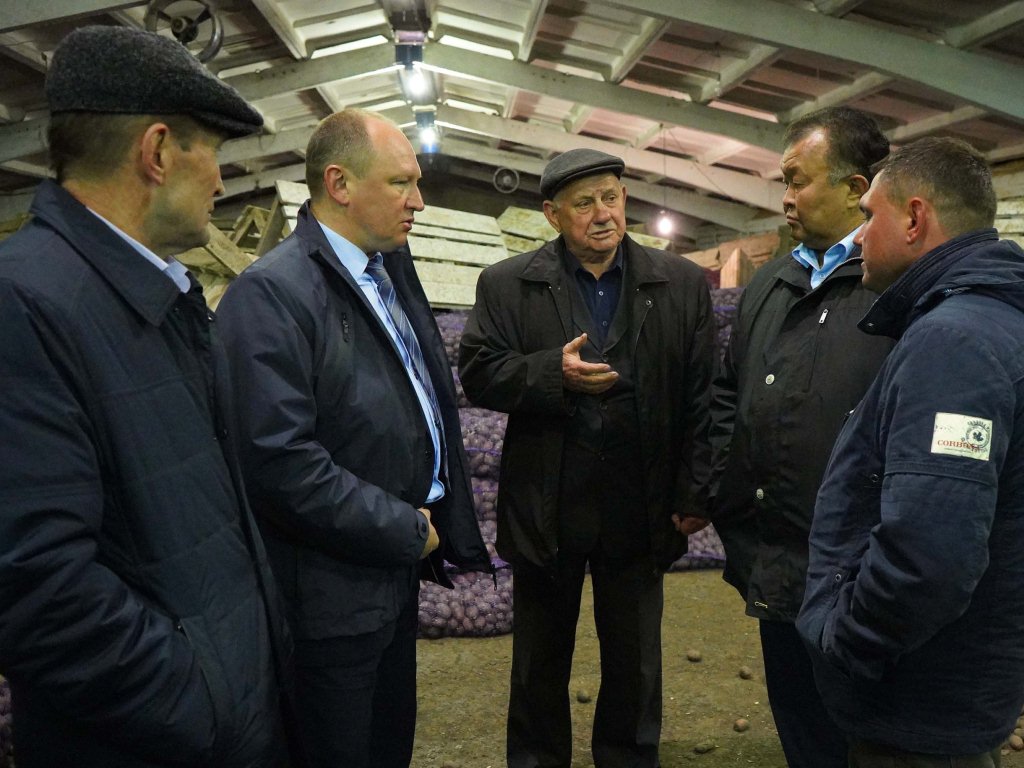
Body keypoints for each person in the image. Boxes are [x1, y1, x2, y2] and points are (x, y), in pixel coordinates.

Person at [0, 25, 294, 768]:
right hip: (154, 741)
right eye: (213, 153)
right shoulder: (25, 304)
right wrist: (201, 702)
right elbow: (35, 587)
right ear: (158, 152)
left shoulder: (154, 298)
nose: (221, 182)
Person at [215, 108, 491, 768]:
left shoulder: (383, 273)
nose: (418, 202)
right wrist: (402, 526)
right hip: (328, 595)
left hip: (391, 571)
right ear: (338, 184)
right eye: (401, 183)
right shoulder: (271, 295)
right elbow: (278, 461)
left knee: (387, 743)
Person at [458, 148, 715, 768]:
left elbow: (704, 395)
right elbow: (479, 372)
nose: (603, 214)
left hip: (641, 503)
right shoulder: (507, 284)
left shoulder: (679, 284)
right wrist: (553, 372)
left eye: (611, 197)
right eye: (584, 203)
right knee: (540, 658)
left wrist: (695, 490)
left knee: (635, 659)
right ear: (552, 215)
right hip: (548, 504)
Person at [797, 136, 1024, 767]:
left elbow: (931, 553)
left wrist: (847, 640)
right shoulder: (992, 323)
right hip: (960, 681)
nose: (857, 238)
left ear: (915, 219)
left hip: (921, 698)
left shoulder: (955, 344)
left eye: (869, 216)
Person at [707, 106, 892, 767]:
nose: (785, 196)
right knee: (802, 723)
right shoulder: (771, 283)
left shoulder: (896, 283)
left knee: (868, 729)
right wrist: (725, 489)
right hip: (777, 558)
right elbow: (727, 392)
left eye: (798, 180)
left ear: (854, 188)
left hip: (861, 565)